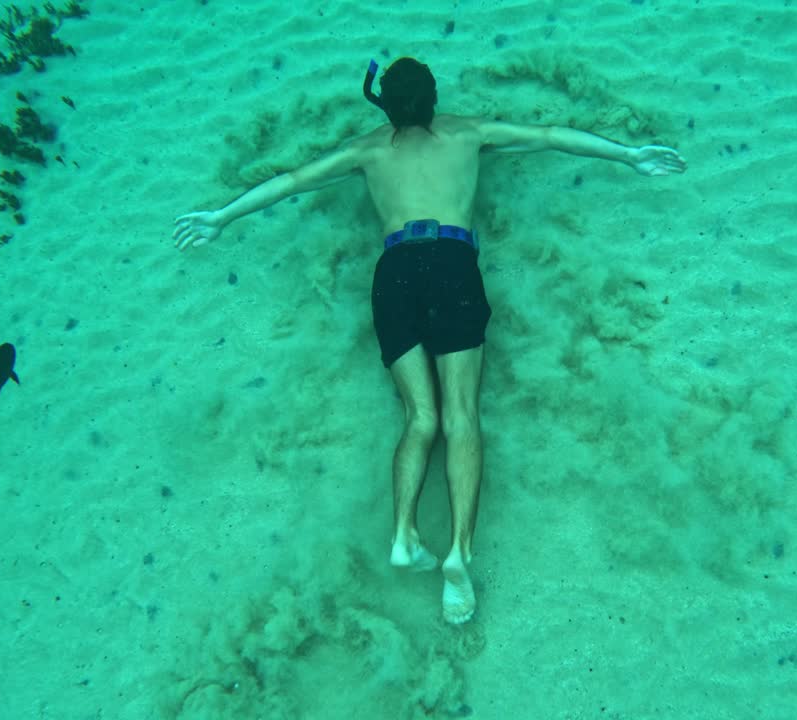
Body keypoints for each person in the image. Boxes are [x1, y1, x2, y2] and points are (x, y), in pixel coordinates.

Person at [174, 57, 687, 624]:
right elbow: (547, 137)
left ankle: (403, 533)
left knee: (421, 418)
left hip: (394, 273)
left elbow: (292, 181)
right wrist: (629, 155)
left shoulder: (368, 149)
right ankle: (458, 555)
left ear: (385, 105)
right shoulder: (467, 132)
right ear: (433, 99)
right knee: (461, 415)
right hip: (450, 261)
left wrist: (221, 216)